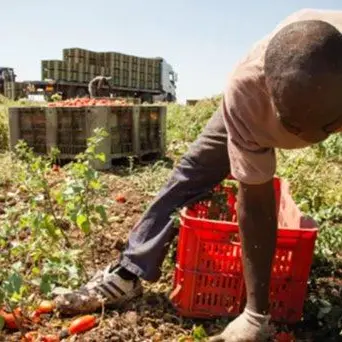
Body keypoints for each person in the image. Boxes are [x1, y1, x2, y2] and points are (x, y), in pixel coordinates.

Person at [55, 8, 342, 342]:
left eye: (329, 127)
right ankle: (130, 269)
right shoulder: (247, 90)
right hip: (266, 99)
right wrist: (255, 315)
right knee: (190, 174)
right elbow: (256, 200)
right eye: (293, 127)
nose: (309, 138)